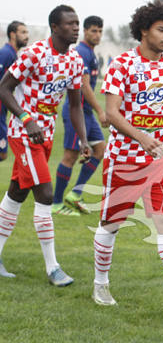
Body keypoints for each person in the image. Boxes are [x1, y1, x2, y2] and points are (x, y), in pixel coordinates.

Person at [92, 0, 163, 316]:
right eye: (162, 30)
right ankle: (100, 282)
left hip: (158, 160)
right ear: (144, 29)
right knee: (111, 223)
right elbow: (111, 113)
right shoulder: (121, 65)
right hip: (123, 159)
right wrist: (142, 137)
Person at [0, 6, 89, 284]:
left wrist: (84, 140)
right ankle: (53, 268)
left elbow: (75, 105)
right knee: (46, 195)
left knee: (16, 193)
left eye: (78, 23)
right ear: (54, 27)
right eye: (70, 24)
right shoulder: (33, 54)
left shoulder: (75, 60)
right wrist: (26, 118)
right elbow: (4, 87)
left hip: (46, 134)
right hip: (24, 132)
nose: (76, 28)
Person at [52, 15, 108, 217]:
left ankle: (75, 194)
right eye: (94, 30)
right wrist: (101, 110)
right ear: (85, 31)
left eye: (100, 31)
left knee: (100, 149)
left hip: (86, 113)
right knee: (71, 156)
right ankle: (56, 204)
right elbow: (84, 87)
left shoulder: (91, 53)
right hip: (77, 112)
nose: (97, 34)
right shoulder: (82, 52)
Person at [0, 21, 29, 163]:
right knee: (2, 153)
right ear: (12, 34)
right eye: (23, 32)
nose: (27, 36)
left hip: (3, 109)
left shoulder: (13, 54)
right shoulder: (6, 54)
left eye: (27, 32)